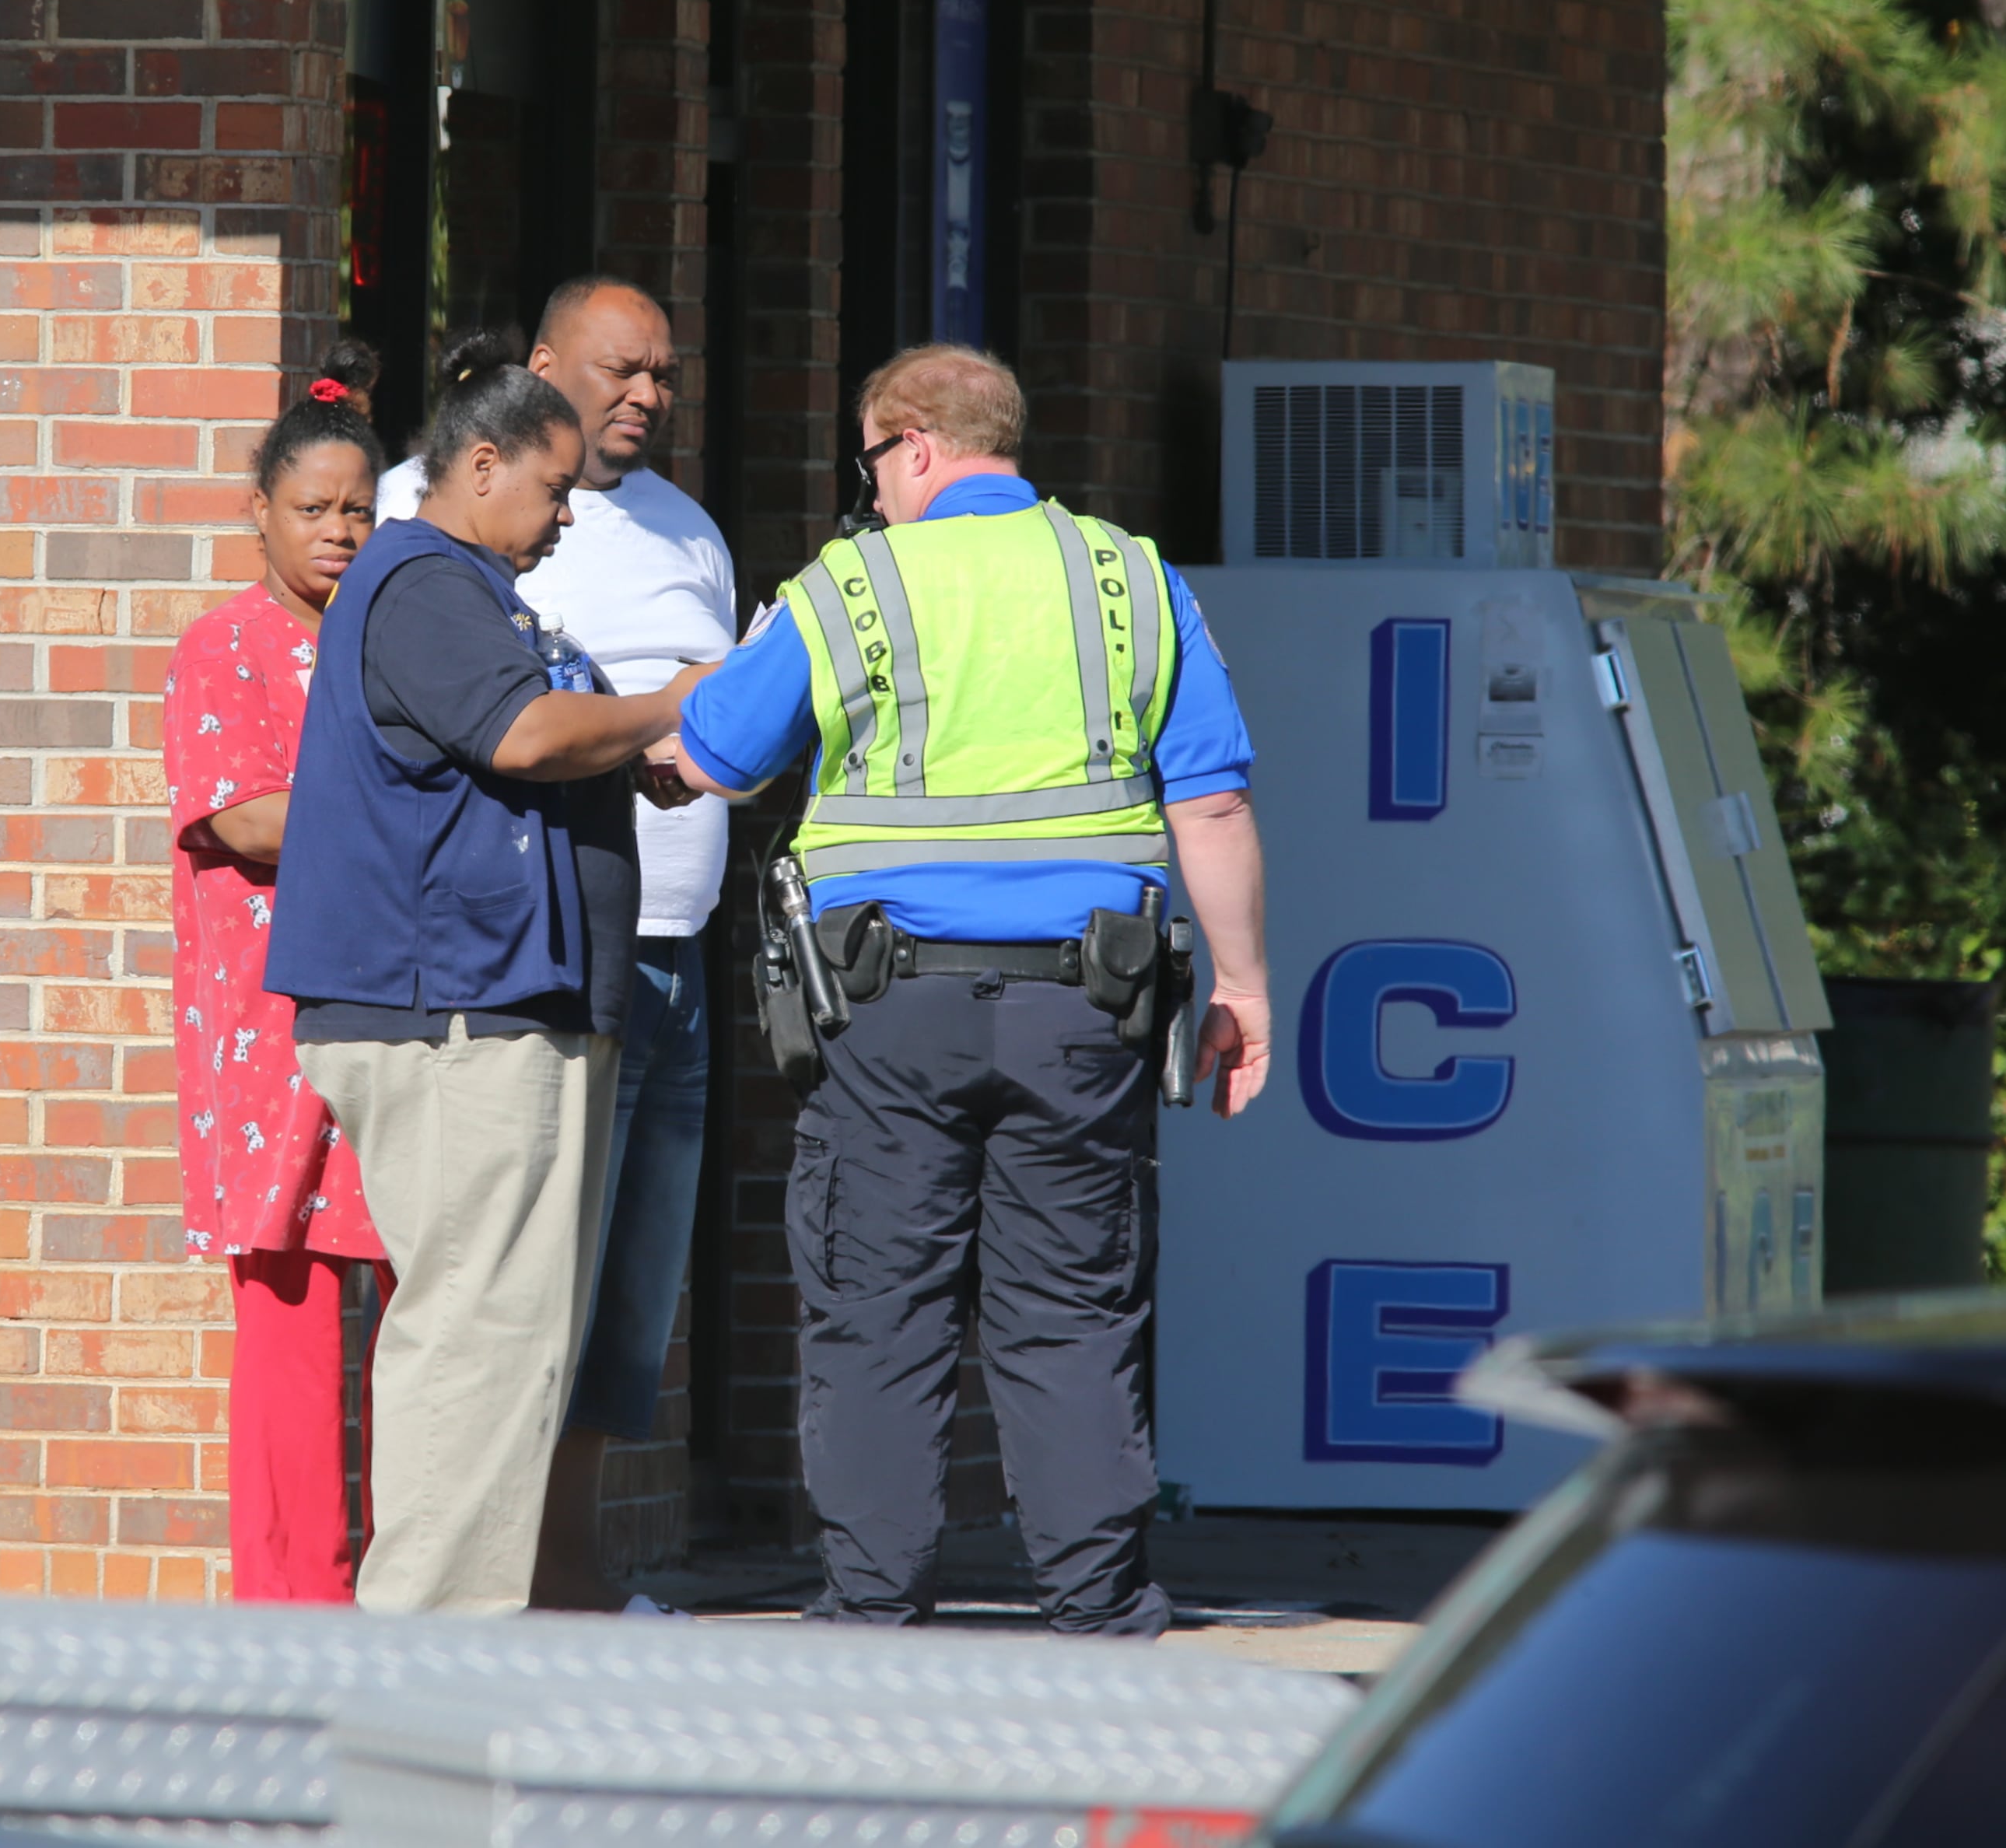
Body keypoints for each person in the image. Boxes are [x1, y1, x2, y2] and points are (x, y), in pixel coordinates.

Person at [673, 343, 1270, 1635]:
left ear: (917, 444)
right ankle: (1098, 1609)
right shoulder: (1132, 576)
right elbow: (1212, 799)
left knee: (879, 1306)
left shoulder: (853, 584)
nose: (873, 489)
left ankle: (877, 1610)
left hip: (885, 1013)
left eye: (875, 462)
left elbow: (717, 756)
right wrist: (1248, 988)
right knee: (1072, 1306)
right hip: (1084, 1009)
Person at [267, 334, 712, 1614]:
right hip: (452, 1011)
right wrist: (671, 699)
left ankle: (463, 1641)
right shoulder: (420, 579)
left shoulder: (478, 591)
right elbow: (518, 732)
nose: (568, 517)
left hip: (505, 1004)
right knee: (480, 1332)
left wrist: (625, 754)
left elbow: (516, 741)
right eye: (553, 488)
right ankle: (427, 1659)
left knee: (511, 1337)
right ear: (478, 462)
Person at [380, 278, 737, 1613]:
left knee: (632, 1285)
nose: (647, 393)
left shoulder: (689, 530)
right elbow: (505, 724)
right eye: (620, 368)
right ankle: (498, 1583)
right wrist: (652, 716)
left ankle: (566, 1568)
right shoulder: (450, 513)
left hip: (677, 943)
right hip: (543, 957)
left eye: (664, 372)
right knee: (529, 1282)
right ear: (539, 370)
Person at [164, 345, 394, 1603]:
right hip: (270, 1023)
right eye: (312, 508)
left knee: (420, 1298)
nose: (338, 531)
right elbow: (245, 817)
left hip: (405, 1005)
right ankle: (294, 1595)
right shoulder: (225, 647)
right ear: (260, 513)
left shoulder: (401, 635)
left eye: (359, 507)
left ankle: (408, 1587)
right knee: (293, 1306)